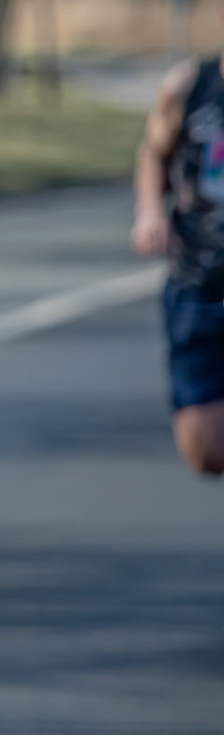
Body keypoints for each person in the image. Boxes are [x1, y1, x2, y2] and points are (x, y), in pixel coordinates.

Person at [132, 54, 224, 475]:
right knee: (205, 452)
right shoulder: (188, 87)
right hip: (197, 280)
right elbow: (155, 153)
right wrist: (150, 212)